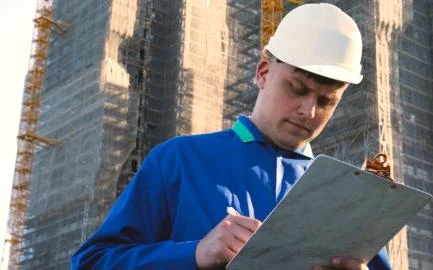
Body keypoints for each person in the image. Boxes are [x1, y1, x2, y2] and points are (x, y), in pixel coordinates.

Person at [72, 3, 391, 270]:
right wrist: (194, 254)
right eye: (297, 89)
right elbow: (91, 263)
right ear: (263, 72)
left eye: (326, 101)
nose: (308, 111)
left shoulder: (348, 197)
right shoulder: (179, 162)